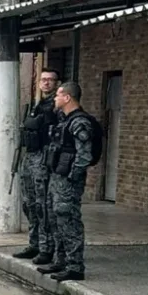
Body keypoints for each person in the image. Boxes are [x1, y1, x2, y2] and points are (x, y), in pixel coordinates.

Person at [42, 81, 96, 282]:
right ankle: (60, 259)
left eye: (58, 95)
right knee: (55, 217)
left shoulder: (79, 122)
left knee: (68, 219)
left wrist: (73, 176)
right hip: (57, 176)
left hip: (68, 180)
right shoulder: (64, 120)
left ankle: (75, 266)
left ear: (67, 98)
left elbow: (84, 155)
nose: (54, 98)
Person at [13, 68, 61, 266]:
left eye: (51, 80)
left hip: (43, 158)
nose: (47, 83)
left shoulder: (56, 107)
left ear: (57, 84)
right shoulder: (36, 104)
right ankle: (34, 244)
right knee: (29, 204)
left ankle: (46, 247)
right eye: (43, 80)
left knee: (42, 206)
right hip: (29, 156)